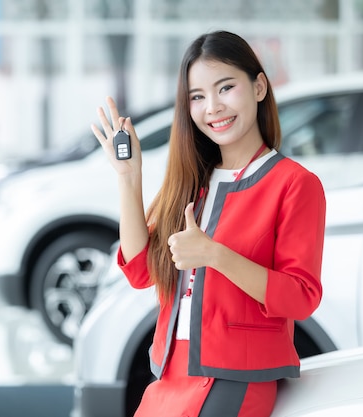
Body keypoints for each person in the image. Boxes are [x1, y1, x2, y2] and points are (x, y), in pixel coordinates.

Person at [91, 30, 326, 417]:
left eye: (226, 87)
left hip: (236, 376)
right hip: (169, 373)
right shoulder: (192, 180)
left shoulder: (295, 184)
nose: (212, 107)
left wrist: (216, 255)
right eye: (197, 96)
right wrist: (129, 177)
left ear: (260, 87)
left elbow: (301, 296)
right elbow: (141, 271)